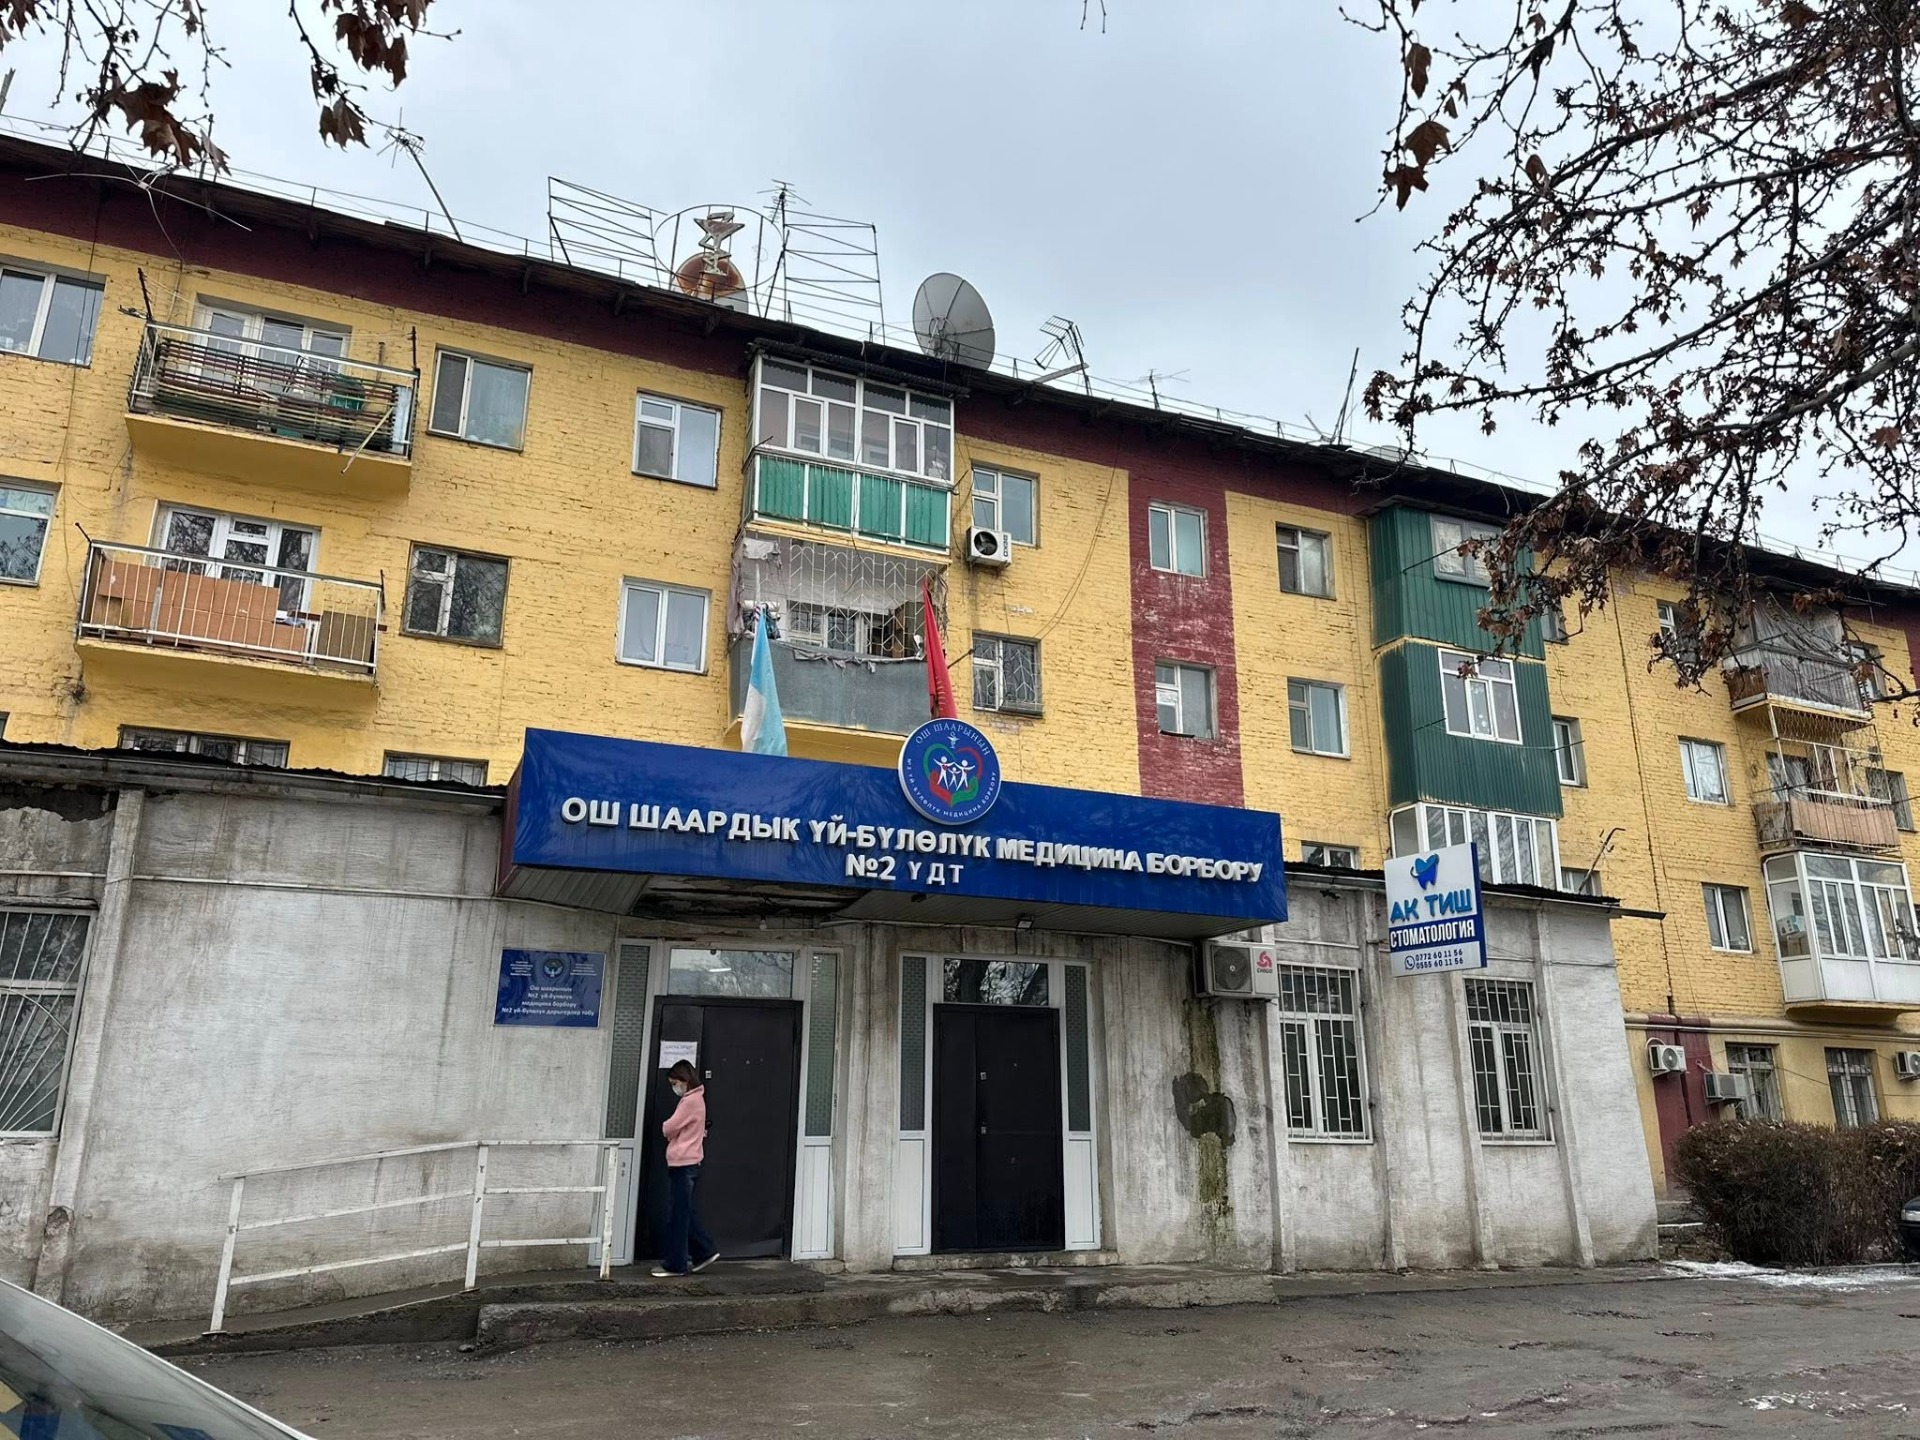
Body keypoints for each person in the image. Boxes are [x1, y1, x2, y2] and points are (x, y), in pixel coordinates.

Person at [654, 1059, 719, 1277]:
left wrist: (668, 1129)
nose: (675, 1088)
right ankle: (705, 1251)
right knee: (684, 1213)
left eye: (675, 1083)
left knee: (678, 1217)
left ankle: (676, 1264)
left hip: (683, 1163)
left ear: (684, 1080)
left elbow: (669, 1127)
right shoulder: (697, 1100)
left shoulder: (690, 1102)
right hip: (689, 1163)